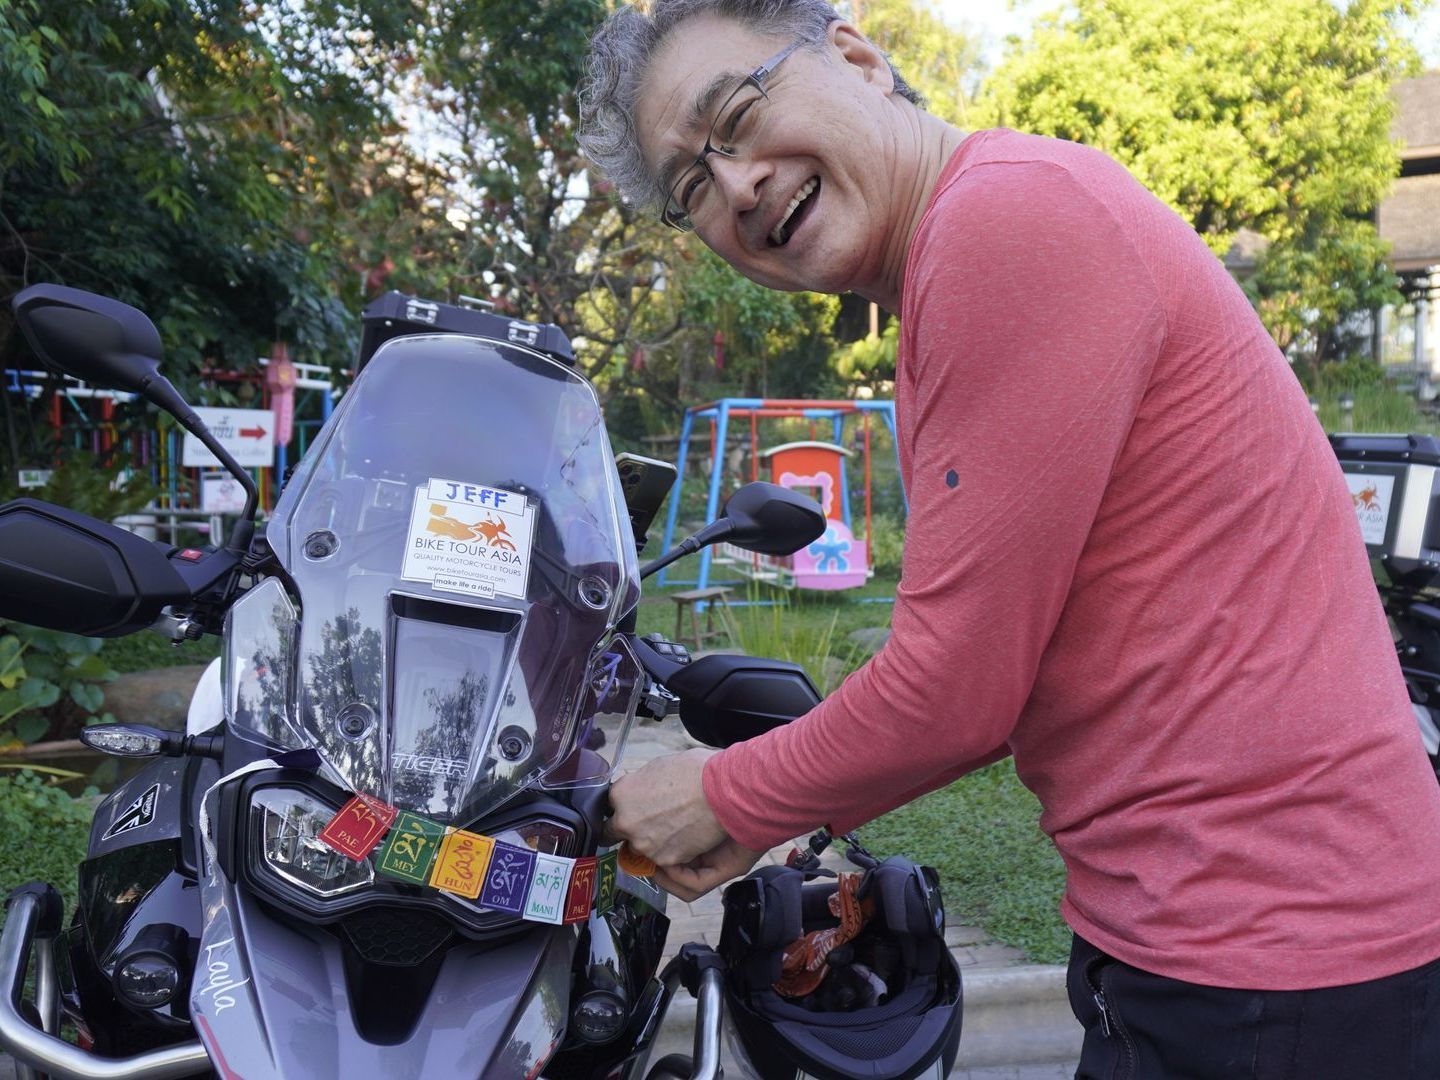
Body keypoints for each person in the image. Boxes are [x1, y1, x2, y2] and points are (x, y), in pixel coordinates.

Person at [578, 2, 1440, 1075]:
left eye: (740, 115)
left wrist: (721, 795)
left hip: (1277, 958)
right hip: (1221, 943)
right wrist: (755, 807)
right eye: (692, 186)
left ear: (859, 58)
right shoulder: (972, 240)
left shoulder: (1003, 222)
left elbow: (958, 686)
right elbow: (1006, 664)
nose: (738, 184)